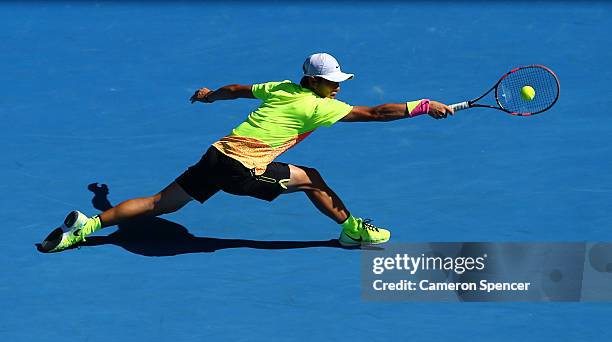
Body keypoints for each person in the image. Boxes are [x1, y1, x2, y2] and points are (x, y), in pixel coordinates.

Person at [40, 52, 454, 253]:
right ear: (314, 83)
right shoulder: (320, 104)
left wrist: (209, 97)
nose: (339, 86)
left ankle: (87, 225)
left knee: (159, 204)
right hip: (240, 168)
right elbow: (378, 112)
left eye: (339, 80)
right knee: (312, 178)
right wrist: (423, 105)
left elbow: (237, 90)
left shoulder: (282, 87)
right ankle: (352, 231)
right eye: (333, 81)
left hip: (216, 154)